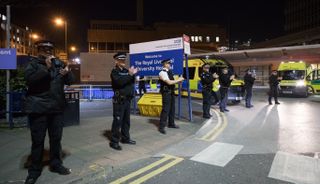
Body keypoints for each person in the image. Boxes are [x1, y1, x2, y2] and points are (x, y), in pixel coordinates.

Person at [24, 40, 74, 184]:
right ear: (38, 50)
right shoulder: (33, 64)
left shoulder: (59, 63)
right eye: (44, 49)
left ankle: (56, 164)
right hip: (38, 109)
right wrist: (46, 68)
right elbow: (29, 80)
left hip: (56, 109)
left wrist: (67, 73)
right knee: (38, 141)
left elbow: (70, 81)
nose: (47, 51)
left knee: (56, 140)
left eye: (50, 49)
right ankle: (34, 171)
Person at [110, 52, 138, 151]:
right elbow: (119, 82)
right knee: (117, 122)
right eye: (121, 60)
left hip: (127, 100)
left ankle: (126, 138)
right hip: (119, 101)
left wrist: (133, 75)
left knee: (126, 121)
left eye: (124, 60)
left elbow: (130, 82)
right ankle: (114, 142)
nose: (123, 61)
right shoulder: (114, 72)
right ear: (116, 61)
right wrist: (130, 75)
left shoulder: (127, 71)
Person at [158, 59, 184, 134]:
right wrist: (179, 80)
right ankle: (161, 127)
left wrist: (179, 82)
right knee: (166, 109)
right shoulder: (162, 73)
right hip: (166, 93)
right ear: (164, 64)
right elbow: (169, 82)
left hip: (171, 92)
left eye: (170, 63)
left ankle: (171, 123)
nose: (169, 64)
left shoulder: (170, 72)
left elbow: (173, 82)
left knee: (172, 109)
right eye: (168, 63)